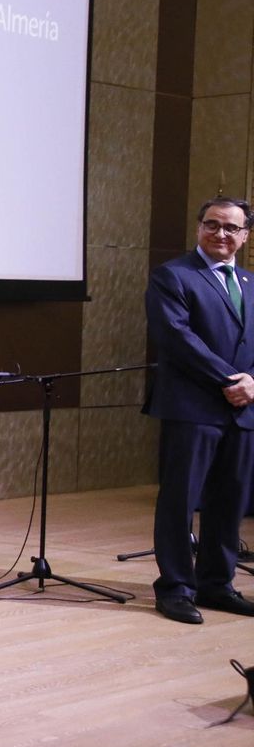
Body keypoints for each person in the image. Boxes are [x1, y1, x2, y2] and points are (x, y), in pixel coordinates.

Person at [144, 196, 254, 624]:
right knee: (180, 500)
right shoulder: (173, 276)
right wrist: (231, 380)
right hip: (192, 408)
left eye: (231, 228)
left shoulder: (249, 282)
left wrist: (251, 384)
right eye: (212, 224)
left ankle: (216, 584)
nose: (220, 234)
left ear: (244, 236)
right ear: (198, 228)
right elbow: (176, 337)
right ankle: (174, 588)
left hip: (243, 411)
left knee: (230, 501)